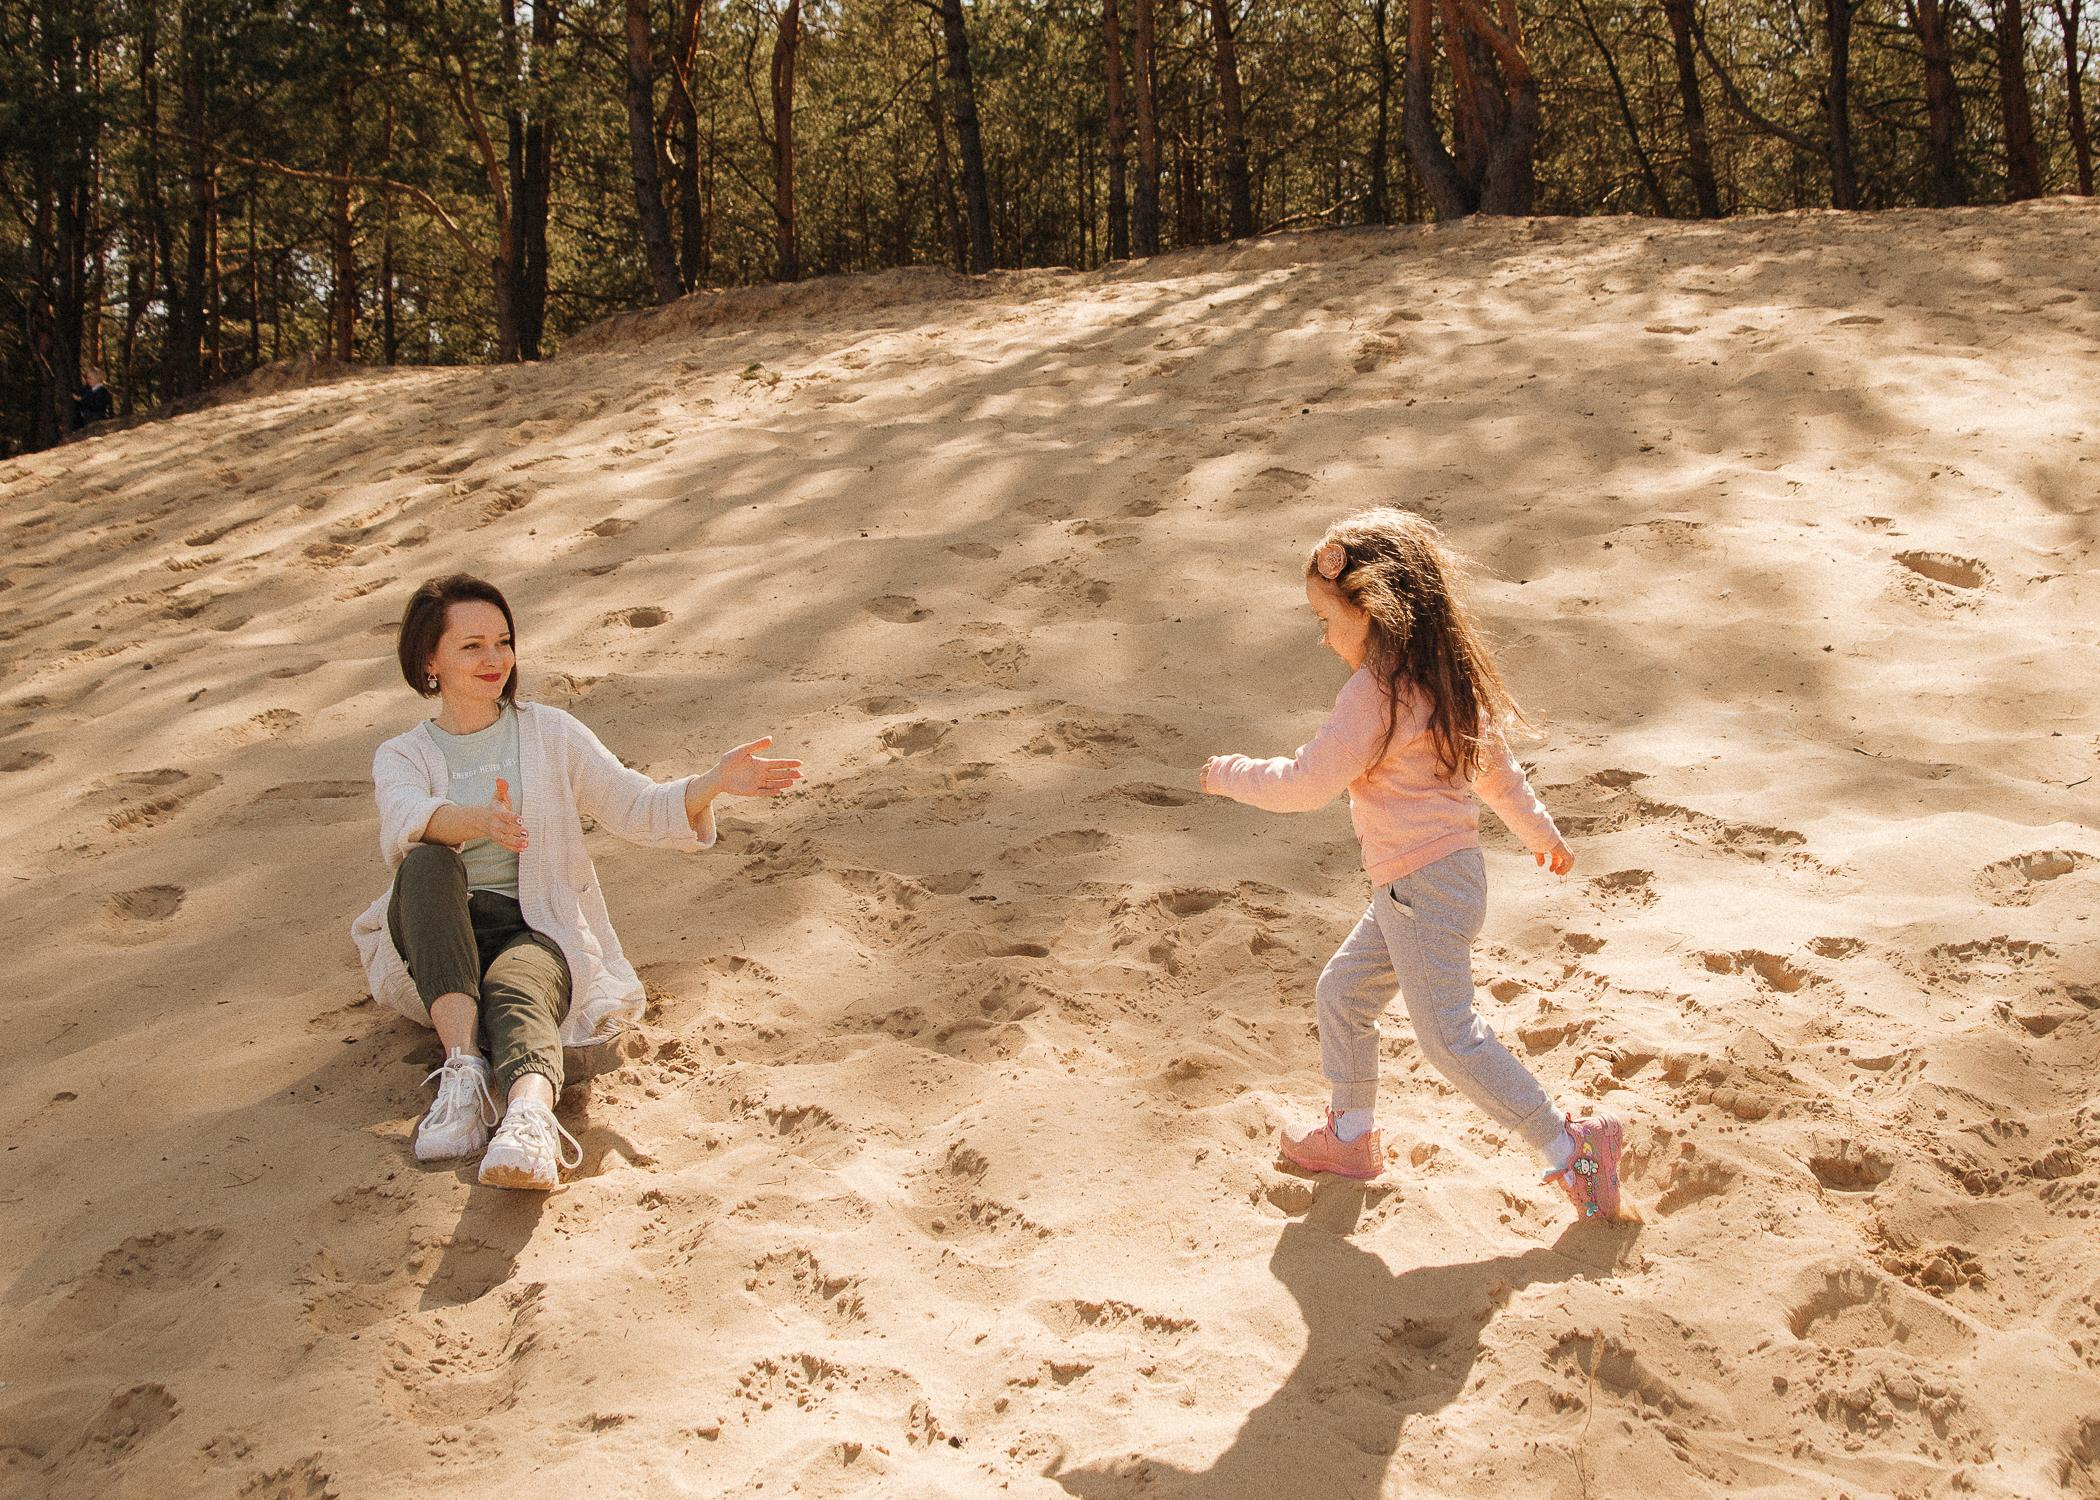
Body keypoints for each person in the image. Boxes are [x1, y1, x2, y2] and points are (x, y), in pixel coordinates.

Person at [1200, 508, 1630, 1221]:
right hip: (1434, 881)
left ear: (1370, 608)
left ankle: (1571, 1150)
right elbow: (1499, 774)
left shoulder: (1374, 694)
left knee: (1449, 1038)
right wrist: (1539, 833)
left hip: (1419, 890)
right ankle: (1351, 1135)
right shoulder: (1439, 678)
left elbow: (1307, 782)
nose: (1323, 634)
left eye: (1327, 617)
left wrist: (1230, 774)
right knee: (1343, 995)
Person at [351, 574, 803, 1190]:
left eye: (503, 642)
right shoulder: (402, 755)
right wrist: (479, 820)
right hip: (435, 928)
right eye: (472, 646)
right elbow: (410, 821)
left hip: (533, 926)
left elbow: (635, 805)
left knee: (519, 991)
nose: (494, 659)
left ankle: (528, 1119)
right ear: (429, 659)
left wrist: (713, 783)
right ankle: (461, 1075)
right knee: (427, 863)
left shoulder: (550, 732)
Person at [72, 365, 113, 430]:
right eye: (87, 378)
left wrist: (82, 400)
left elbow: (97, 406)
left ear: (97, 378)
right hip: (88, 420)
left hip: (98, 421)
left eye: (90, 378)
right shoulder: (88, 390)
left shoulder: (102, 391)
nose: (88, 380)